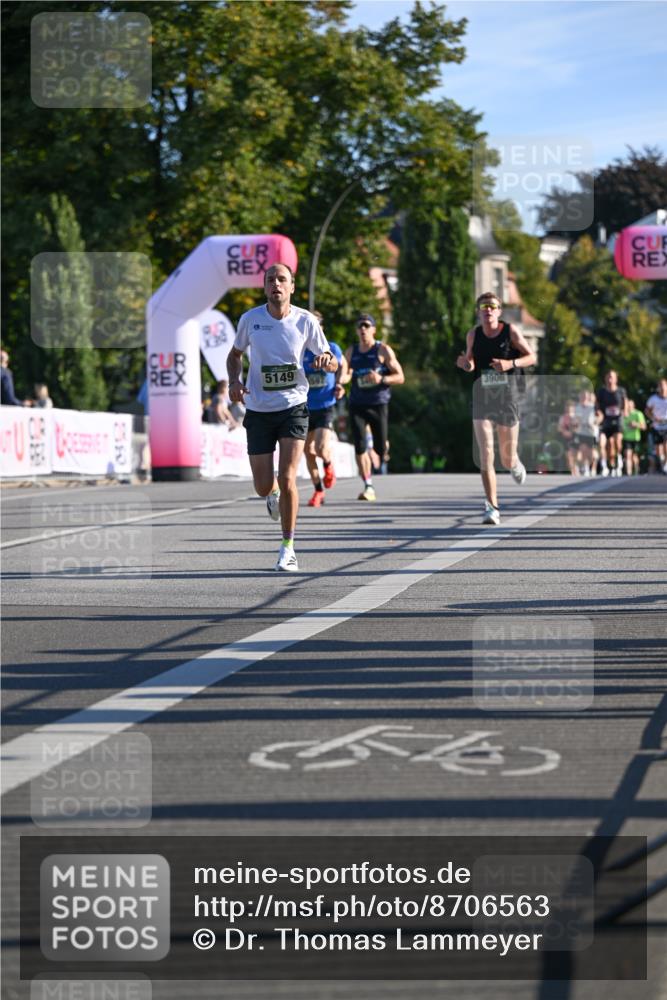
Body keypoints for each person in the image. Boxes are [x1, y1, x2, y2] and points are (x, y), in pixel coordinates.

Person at [227, 263, 337, 572]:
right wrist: (235, 381)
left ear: (291, 287)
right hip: (259, 408)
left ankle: (288, 547)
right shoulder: (250, 320)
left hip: (293, 407)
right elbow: (235, 355)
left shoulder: (305, 321)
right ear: (264, 287)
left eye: (282, 279)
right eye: (270, 279)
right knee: (263, 486)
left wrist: (325, 359)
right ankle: (272, 493)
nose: (276, 283)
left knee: (289, 476)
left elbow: (329, 359)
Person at [456, 292, 536, 525]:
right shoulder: (473, 334)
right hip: (482, 396)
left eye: (492, 306)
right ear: (479, 312)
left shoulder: (510, 332)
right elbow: (471, 362)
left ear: (499, 311)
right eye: (484, 306)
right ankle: (492, 507)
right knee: (486, 453)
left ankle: (515, 462)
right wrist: (466, 364)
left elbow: (531, 357)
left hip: (507, 397)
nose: (488, 310)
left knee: (506, 458)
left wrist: (510, 363)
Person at [345, 313, 404, 501]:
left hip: (378, 403)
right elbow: (345, 374)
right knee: (359, 446)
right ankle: (368, 485)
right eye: (359, 326)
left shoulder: (383, 350)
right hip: (357, 403)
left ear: (374, 329)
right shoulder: (351, 351)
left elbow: (400, 377)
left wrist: (381, 378)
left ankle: (383, 445)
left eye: (366, 325)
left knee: (380, 450)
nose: (362, 329)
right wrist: (340, 383)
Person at [303, 312, 347, 507]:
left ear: (321, 327)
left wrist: (339, 383)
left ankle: (328, 465)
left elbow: (342, 366)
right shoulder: (300, 349)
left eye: (316, 324)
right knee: (307, 451)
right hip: (304, 407)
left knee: (320, 448)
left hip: (325, 406)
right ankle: (318, 490)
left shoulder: (332, 348)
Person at [596, 370, 627, 477]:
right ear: (605, 379)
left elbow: (625, 402)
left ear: (616, 379)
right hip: (605, 421)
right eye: (608, 377)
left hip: (617, 420)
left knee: (617, 442)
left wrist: (625, 412)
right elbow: (597, 404)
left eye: (612, 377)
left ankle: (619, 460)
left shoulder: (621, 391)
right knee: (602, 444)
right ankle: (604, 466)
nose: (610, 379)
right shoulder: (602, 391)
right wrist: (599, 413)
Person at [573, 388, 600, 477]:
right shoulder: (577, 407)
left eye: (585, 396)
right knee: (583, 450)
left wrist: (595, 422)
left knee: (593, 454)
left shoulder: (593, 407)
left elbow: (600, 416)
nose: (584, 397)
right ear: (580, 397)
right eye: (582, 396)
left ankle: (593, 468)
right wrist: (576, 423)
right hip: (582, 432)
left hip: (592, 432)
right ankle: (586, 468)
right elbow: (574, 420)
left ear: (588, 397)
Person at [645, 377, 667, 474]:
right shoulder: (653, 399)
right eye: (660, 386)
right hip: (657, 426)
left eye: (664, 385)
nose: (662, 388)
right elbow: (647, 410)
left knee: (666, 445)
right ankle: (662, 464)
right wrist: (654, 418)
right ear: (658, 387)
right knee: (658, 449)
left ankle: (666, 464)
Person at [621, 397, 646, 476]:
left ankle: (636, 470)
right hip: (626, 438)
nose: (628, 406)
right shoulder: (623, 415)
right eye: (627, 405)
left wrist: (636, 424)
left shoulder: (638, 414)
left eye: (630, 405)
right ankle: (628, 473)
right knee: (627, 455)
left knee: (634, 456)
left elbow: (644, 427)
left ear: (633, 405)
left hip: (636, 438)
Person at [557, 400, 579, 475]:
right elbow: (559, 428)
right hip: (566, 438)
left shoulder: (576, 416)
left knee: (576, 455)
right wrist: (564, 432)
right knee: (569, 456)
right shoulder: (562, 417)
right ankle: (572, 472)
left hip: (576, 437)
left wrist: (573, 431)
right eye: (567, 407)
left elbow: (579, 427)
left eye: (571, 407)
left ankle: (576, 468)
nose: (569, 409)